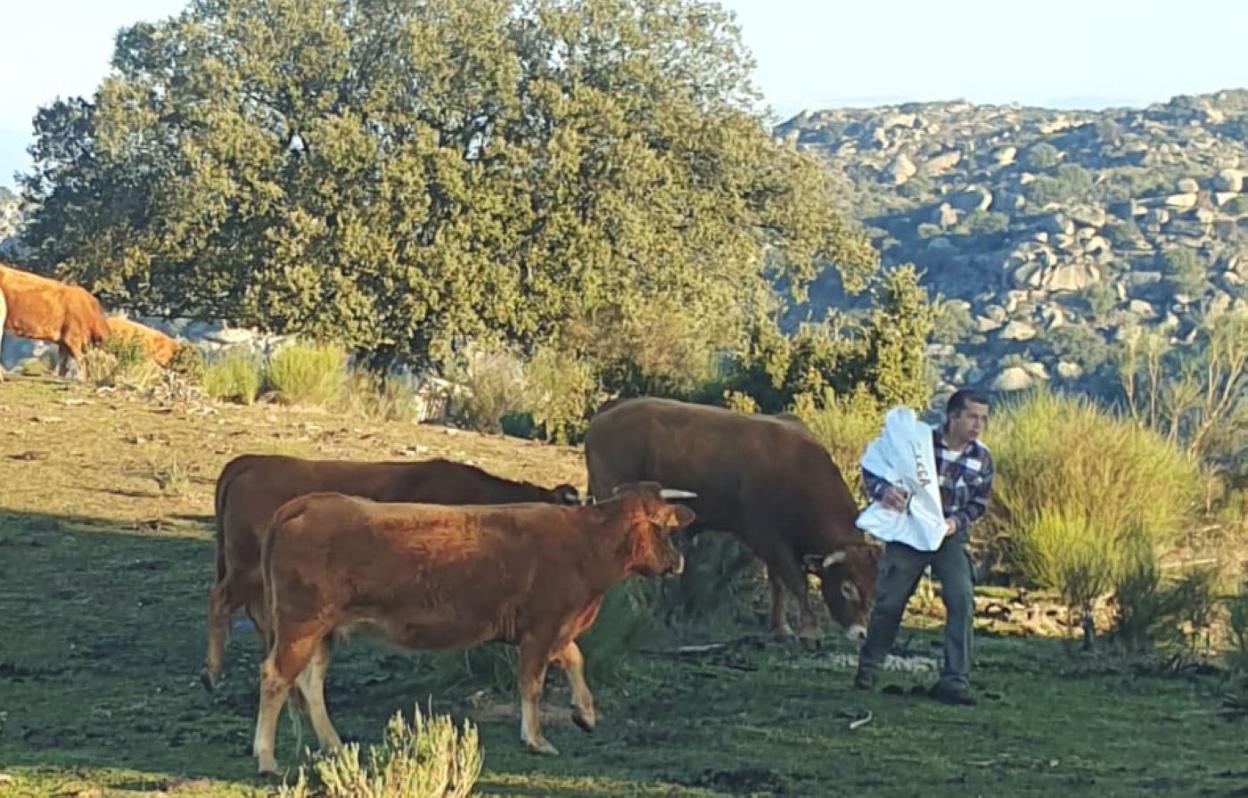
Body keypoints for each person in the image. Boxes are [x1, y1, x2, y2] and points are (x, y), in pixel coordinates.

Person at [853, 388, 994, 706]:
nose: (978, 425)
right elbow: (873, 469)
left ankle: (955, 679)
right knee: (890, 602)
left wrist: (957, 522)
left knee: (961, 599)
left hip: (949, 536)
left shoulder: (982, 459)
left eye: (983, 419)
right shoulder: (917, 445)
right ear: (952, 416)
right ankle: (868, 670)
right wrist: (884, 492)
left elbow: (978, 503)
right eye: (972, 416)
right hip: (909, 532)